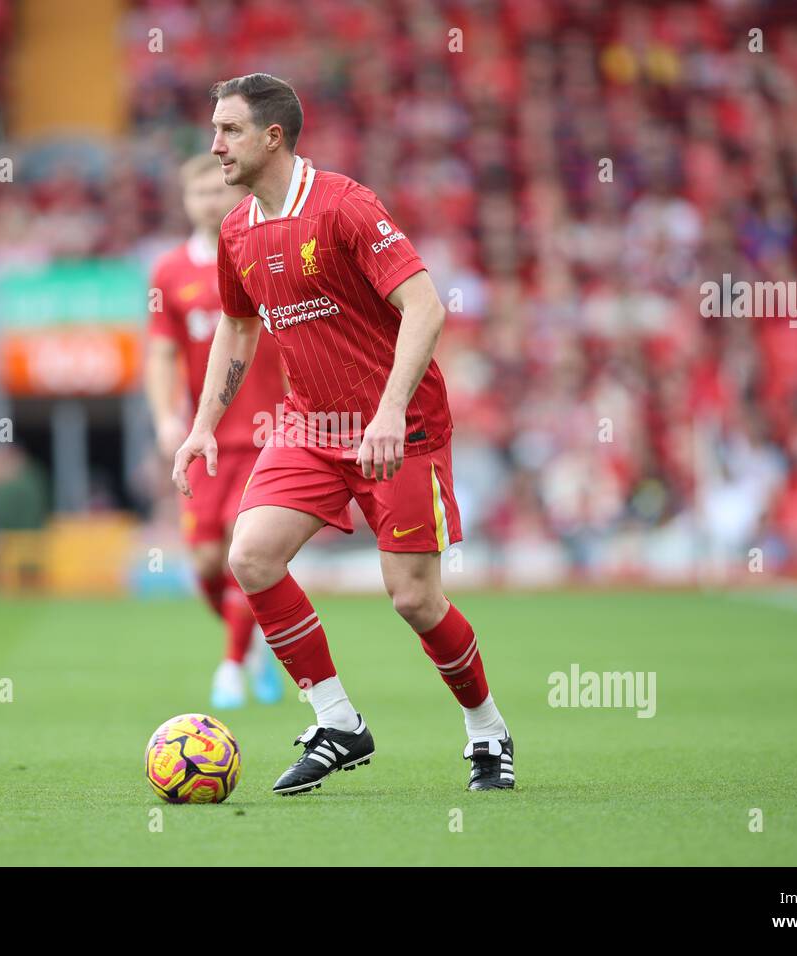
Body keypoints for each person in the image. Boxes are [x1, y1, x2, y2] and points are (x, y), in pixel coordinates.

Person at [172, 74, 513, 794]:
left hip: (401, 425)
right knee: (251, 556)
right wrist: (203, 425)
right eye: (213, 130)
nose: (215, 145)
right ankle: (337, 721)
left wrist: (389, 411)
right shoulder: (236, 229)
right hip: (309, 424)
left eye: (228, 130)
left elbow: (424, 307)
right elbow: (237, 328)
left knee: (415, 600)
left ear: (272, 136)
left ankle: (486, 727)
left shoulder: (346, 206)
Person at [147, 153, 286, 709]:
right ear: (185, 201)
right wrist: (165, 418)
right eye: (196, 193)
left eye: (216, 189)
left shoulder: (264, 249)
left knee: (240, 549)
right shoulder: (169, 272)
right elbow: (160, 354)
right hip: (203, 439)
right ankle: (255, 642)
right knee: (205, 562)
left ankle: (231, 666)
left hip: (268, 431)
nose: (209, 200)